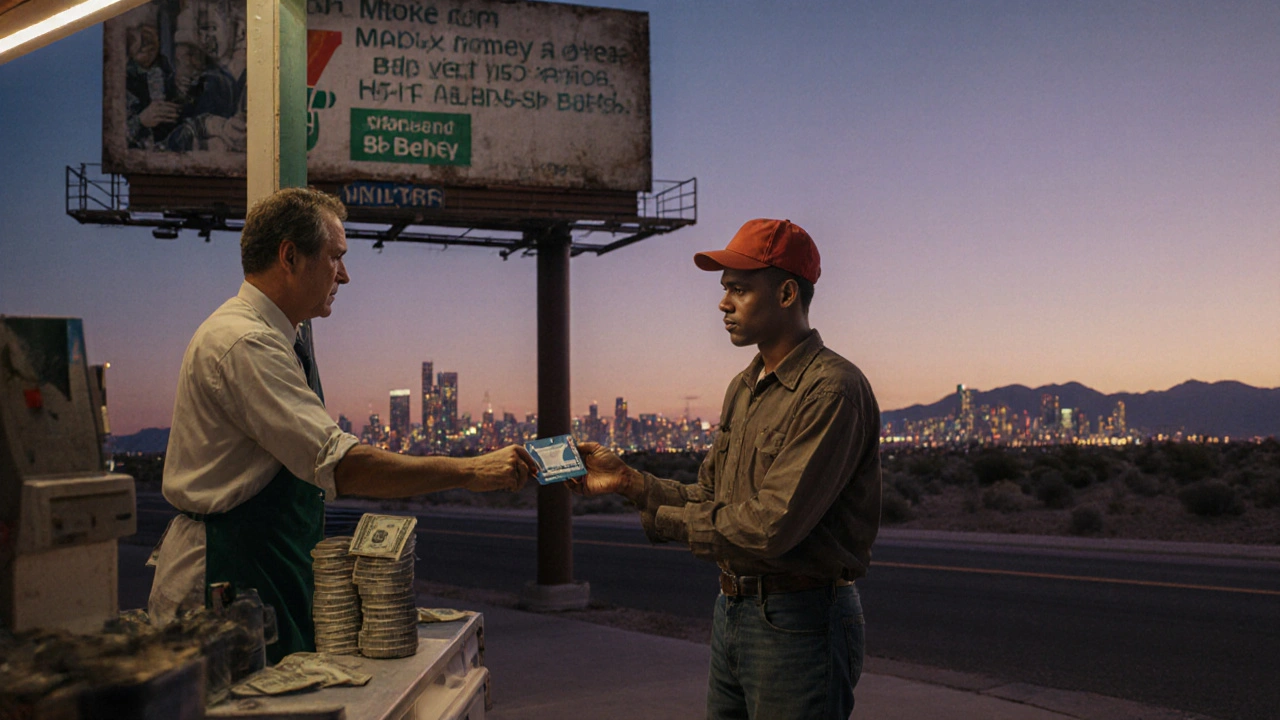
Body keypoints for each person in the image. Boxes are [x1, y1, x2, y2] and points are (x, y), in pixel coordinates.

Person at [148, 187, 539, 662]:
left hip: (269, 567)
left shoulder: (287, 335)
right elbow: (343, 466)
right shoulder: (245, 343)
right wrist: (471, 472)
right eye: (336, 257)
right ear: (290, 257)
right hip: (226, 573)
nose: (345, 275)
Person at [570, 218, 882, 719]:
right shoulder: (745, 385)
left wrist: (668, 521)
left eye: (738, 289)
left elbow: (769, 526)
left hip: (800, 622)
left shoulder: (831, 390)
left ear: (785, 293)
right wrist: (630, 483)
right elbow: (714, 499)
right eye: (724, 290)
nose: (723, 303)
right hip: (734, 611)